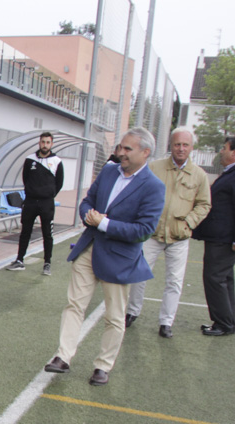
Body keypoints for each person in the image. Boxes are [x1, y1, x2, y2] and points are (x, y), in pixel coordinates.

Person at [43, 128, 165, 386]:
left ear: (145, 153)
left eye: (128, 149)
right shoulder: (110, 171)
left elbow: (144, 230)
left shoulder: (154, 187)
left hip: (119, 259)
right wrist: (88, 214)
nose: (121, 153)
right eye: (121, 147)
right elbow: (87, 201)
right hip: (89, 249)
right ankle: (63, 356)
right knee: (74, 304)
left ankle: (103, 366)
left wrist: (104, 223)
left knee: (114, 316)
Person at [125, 127, 212, 338]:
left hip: (179, 237)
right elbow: (139, 192)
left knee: (174, 281)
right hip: (152, 235)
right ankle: (132, 312)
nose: (181, 149)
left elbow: (204, 204)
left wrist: (188, 223)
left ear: (191, 147)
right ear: (170, 146)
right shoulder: (154, 168)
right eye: (177, 144)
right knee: (139, 275)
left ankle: (166, 322)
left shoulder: (199, 175)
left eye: (185, 145)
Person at [192, 136, 235, 336]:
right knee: (223, 279)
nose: (221, 151)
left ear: (234, 152)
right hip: (219, 238)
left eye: (224, 148)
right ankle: (226, 322)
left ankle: (223, 324)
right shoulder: (234, 172)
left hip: (225, 239)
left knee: (214, 278)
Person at [6, 132, 64, 276]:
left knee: (47, 234)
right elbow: (26, 178)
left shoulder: (57, 161)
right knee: (25, 232)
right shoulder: (29, 160)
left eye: (47, 142)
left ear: (51, 144)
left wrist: (48, 194)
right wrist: (33, 193)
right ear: (39, 143)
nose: (45, 145)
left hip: (46, 204)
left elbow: (59, 183)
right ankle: (19, 260)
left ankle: (47, 263)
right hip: (31, 202)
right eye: (42, 142)